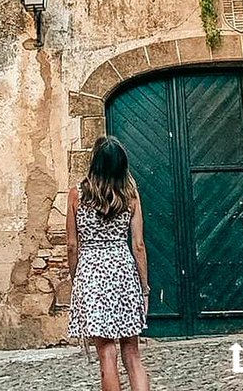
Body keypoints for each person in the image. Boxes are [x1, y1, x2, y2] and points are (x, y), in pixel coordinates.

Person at [67, 135, 151, 391]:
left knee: (106, 353)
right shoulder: (130, 195)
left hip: (91, 274)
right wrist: (144, 288)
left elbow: (72, 245)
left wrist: (76, 280)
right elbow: (138, 244)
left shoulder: (77, 195)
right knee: (132, 354)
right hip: (123, 272)